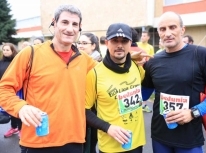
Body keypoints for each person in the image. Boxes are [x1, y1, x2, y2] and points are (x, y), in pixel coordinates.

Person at [0, 4, 97, 153]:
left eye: (74, 24)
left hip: (74, 141)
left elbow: (108, 74)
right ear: (54, 23)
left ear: (79, 28)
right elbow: (4, 88)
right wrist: (20, 107)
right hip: (37, 141)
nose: (70, 29)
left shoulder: (85, 60)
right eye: (64, 22)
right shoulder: (30, 54)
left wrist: (135, 61)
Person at [141, 11, 206, 153]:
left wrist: (193, 112)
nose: (168, 33)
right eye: (163, 29)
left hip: (189, 138)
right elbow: (143, 95)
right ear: (159, 33)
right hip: (160, 135)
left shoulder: (201, 54)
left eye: (172, 27)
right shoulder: (154, 61)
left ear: (182, 30)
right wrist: (130, 67)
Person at [85, 23, 146, 153]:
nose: (119, 45)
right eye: (114, 41)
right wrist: (108, 127)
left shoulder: (137, 67)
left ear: (130, 43)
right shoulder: (94, 74)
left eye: (124, 41)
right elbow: (84, 110)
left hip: (136, 142)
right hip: (110, 146)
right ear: (107, 43)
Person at [0, 43, 22, 139]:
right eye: (4, 50)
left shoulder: (17, 61)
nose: (5, 52)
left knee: (18, 110)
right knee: (9, 110)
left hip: (17, 90)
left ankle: (21, 129)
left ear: (12, 51)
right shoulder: (1, 62)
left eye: (7, 50)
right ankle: (13, 127)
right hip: (4, 89)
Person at [137, 30, 154, 113]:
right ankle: (137, 105)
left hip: (146, 69)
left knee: (145, 88)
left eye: (144, 36)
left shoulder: (150, 47)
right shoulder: (137, 44)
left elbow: (151, 59)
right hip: (137, 68)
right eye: (142, 35)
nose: (142, 37)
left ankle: (143, 105)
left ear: (148, 37)